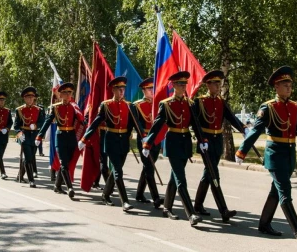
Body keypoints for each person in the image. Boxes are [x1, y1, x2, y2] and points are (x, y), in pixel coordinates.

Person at [236, 66, 297, 244]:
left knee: (275, 191)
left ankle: (264, 224)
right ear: (276, 87)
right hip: (275, 154)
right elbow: (255, 131)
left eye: (290, 85)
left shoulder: (295, 106)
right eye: (285, 85)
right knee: (285, 191)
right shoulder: (268, 107)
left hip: (290, 154)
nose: (288, 88)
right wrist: (242, 151)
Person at [143, 71, 205, 226]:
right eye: (180, 84)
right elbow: (157, 125)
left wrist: (202, 139)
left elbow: (196, 124)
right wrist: (148, 143)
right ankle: (191, 214)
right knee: (181, 179)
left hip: (185, 143)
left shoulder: (190, 103)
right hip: (173, 142)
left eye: (184, 84)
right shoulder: (166, 104)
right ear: (173, 86)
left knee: (174, 177)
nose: (183, 87)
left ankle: (167, 208)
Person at [79, 77, 138, 212]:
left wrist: (145, 139)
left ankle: (105, 194)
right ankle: (125, 202)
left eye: (123, 89)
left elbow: (135, 125)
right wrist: (84, 139)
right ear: (113, 90)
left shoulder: (129, 105)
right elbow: (96, 123)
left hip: (123, 142)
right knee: (118, 171)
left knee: (116, 171)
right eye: (119, 89)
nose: (122, 91)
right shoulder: (106, 105)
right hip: (111, 140)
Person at [193, 70, 244, 221]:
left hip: (217, 140)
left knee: (208, 173)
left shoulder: (221, 101)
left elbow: (232, 118)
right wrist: (201, 140)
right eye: (214, 83)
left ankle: (197, 205)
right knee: (214, 173)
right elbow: (195, 124)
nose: (218, 86)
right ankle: (223, 210)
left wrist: (244, 129)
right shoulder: (200, 101)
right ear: (207, 85)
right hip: (206, 141)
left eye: (219, 83)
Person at [36, 83, 86, 199]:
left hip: (71, 137)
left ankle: (57, 186)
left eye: (70, 93)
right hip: (60, 136)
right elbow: (47, 122)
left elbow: (81, 119)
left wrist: (84, 121)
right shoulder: (56, 107)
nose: (68, 95)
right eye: (65, 93)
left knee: (67, 163)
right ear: (61, 94)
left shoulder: (74, 107)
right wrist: (39, 135)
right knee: (64, 163)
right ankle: (70, 188)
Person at [133, 77, 163, 208]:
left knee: (148, 167)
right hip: (144, 139)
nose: (152, 91)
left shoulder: (158, 104)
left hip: (156, 139)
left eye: (153, 88)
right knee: (149, 167)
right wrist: (143, 135)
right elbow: (137, 124)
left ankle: (139, 194)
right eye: (149, 89)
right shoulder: (137, 105)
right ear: (144, 90)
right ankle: (156, 197)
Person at [13, 87, 45, 187]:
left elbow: (42, 122)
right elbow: (16, 126)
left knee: (31, 158)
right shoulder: (19, 110)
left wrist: (36, 126)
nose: (30, 99)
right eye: (28, 97)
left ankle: (20, 175)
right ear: (24, 98)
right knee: (27, 157)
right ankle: (31, 180)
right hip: (25, 136)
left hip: (34, 136)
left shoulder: (38, 110)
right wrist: (19, 134)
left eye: (32, 97)